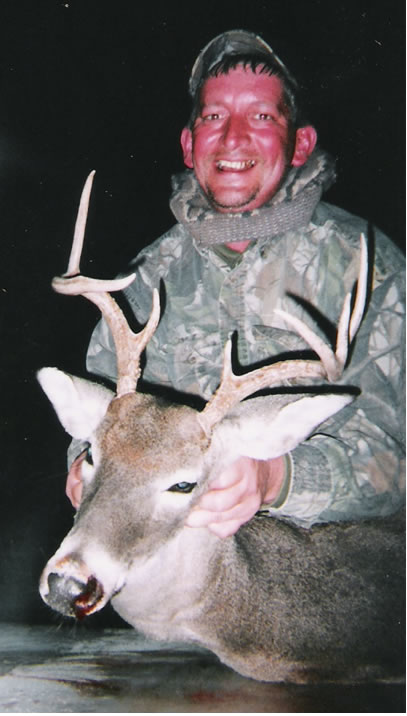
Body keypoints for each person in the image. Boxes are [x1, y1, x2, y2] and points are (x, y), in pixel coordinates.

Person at [66, 30, 405, 538]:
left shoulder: (369, 266)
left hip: (329, 555)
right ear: (189, 145)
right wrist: (84, 465)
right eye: (213, 116)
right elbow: (102, 410)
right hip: (175, 543)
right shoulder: (145, 276)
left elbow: (396, 466)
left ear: (300, 144)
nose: (232, 137)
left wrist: (275, 479)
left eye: (262, 116)